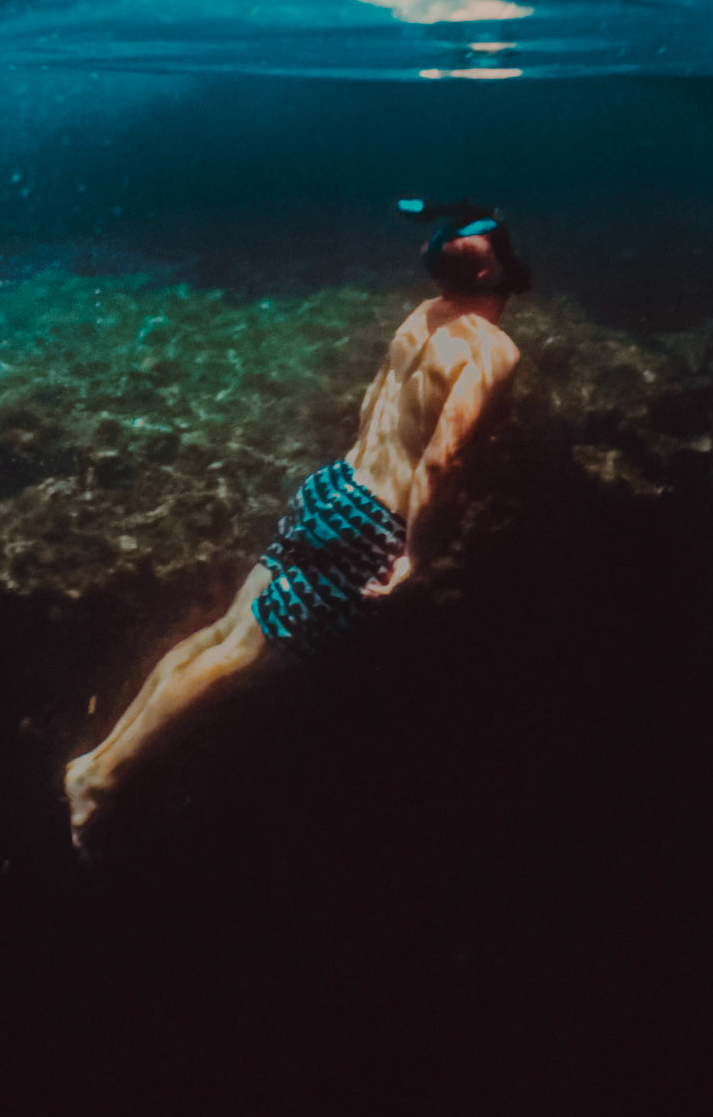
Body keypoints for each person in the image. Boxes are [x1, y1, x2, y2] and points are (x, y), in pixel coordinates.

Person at [63, 207, 529, 844]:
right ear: (495, 267)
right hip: (372, 521)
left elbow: (373, 404)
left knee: (223, 633)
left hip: (333, 487)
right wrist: (415, 554)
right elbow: (441, 462)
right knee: (242, 661)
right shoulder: (492, 349)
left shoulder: (420, 316)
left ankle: (97, 759)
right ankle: (105, 777)